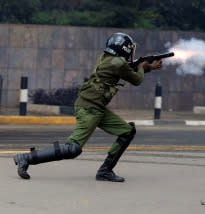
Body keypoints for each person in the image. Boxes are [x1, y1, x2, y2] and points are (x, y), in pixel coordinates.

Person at [14, 33, 163, 182]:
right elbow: (136, 79)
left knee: (128, 131)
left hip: (95, 106)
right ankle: (26, 158)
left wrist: (148, 67)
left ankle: (105, 171)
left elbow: (128, 69)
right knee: (73, 148)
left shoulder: (108, 58)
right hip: (90, 108)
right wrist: (143, 67)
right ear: (124, 49)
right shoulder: (118, 64)